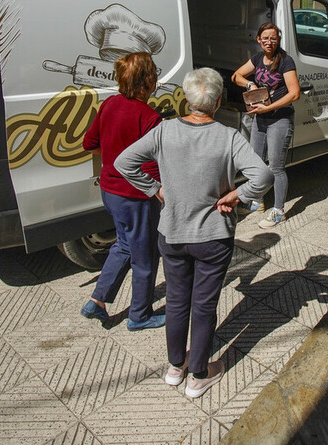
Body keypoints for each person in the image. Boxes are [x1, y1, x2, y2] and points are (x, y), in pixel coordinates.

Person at [115, 68, 272, 398]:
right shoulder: (228, 137)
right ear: (216, 102)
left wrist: (155, 189)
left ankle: (176, 367)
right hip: (213, 237)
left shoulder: (164, 131)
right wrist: (238, 195)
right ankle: (198, 374)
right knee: (203, 305)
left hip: (172, 233)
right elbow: (263, 175)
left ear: (188, 98)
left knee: (175, 300)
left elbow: (124, 162)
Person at [80, 52, 166, 330]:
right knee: (145, 257)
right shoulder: (150, 118)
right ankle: (139, 315)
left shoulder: (109, 105)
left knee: (124, 245)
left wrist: (113, 156)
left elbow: (89, 143)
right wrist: (161, 192)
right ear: (149, 81)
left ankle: (98, 301)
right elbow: (153, 167)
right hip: (136, 197)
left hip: (110, 190)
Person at [230, 22, 300, 229]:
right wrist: (250, 84)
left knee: (276, 167)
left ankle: (279, 211)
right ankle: (257, 202)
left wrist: (268, 109)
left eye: (273, 38)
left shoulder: (286, 61)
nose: (269, 42)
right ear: (259, 40)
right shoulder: (258, 59)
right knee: (257, 163)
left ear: (278, 40)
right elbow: (237, 76)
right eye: (265, 38)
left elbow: (294, 93)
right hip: (260, 118)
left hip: (280, 118)